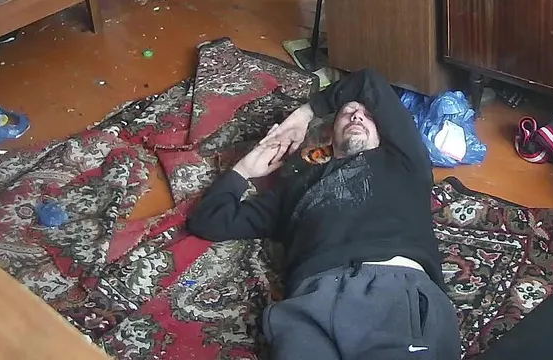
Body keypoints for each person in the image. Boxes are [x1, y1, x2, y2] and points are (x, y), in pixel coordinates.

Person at [187, 68, 460, 360]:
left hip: (393, 289)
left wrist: (303, 115)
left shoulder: (404, 161)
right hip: (311, 302)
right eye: (348, 113)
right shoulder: (294, 188)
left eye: (368, 115)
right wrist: (244, 169)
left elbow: (368, 81)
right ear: (330, 132)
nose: (357, 117)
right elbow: (209, 221)